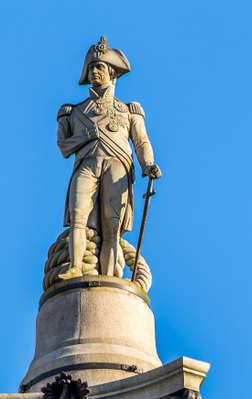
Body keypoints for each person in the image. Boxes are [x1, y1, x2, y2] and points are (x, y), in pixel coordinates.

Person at [56, 36, 161, 280]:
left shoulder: (129, 110)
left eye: (99, 67)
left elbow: (141, 142)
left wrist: (148, 165)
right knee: (79, 218)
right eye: (91, 67)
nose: (94, 71)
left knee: (112, 225)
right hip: (87, 164)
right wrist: (86, 137)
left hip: (117, 165)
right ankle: (75, 265)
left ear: (112, 73)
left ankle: (112, 273)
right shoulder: (73, 111)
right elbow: (63, 147)